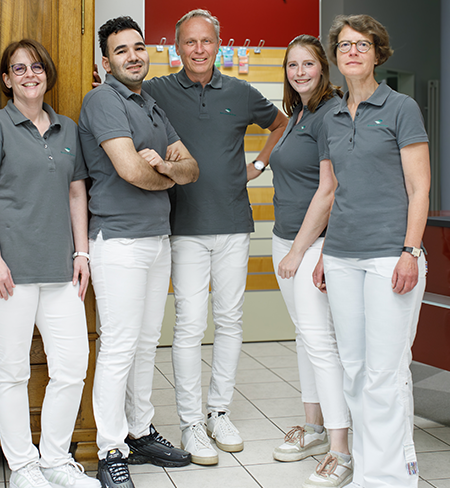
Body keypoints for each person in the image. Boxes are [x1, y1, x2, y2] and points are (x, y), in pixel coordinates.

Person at [140, 9, 288, 464]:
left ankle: (218, 411)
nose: (199, 49)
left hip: (234, 225)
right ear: (176, 47)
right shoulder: (156, 90)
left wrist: (258, 166)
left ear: (219, 45)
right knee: (188, 325)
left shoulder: (242, 93)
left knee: (230, 321)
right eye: (190, 42)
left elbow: (281, 123)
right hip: (184, 228)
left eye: (207, 41)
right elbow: (120, 95)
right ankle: (190, 423)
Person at [0, 39, 98, 488]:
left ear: (47, 74)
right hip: (7, 275)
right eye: (18, 69)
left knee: (72, 365)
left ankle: (56, 459)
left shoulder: (67, 127)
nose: (28, 75)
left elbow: (76, 192)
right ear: (7, 79)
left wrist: (82, 254)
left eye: (36, 67)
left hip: (60, 271)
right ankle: (23, 466)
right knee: (14, 369)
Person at [79, 16, 199, 488]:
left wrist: (170, 168)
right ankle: (110, 448)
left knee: (147, 341)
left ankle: (139, 430)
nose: (133, 55)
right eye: (121, 50)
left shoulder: (149, 103)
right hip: (119, 241)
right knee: (119, 346)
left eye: (139, 46)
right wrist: (167, 171)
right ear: (105, 62)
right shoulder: (102, 100)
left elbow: (192, 168)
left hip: (156, 238)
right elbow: (130, 170)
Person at [314, 14, 430, 488]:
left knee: (385, 370)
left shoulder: (401, 108)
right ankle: (369, 468)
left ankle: (390, 478)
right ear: (336, 57)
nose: (353, 52)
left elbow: (419, 188)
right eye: (344, 46)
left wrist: (410, 250)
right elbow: (330, 190)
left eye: (363, 45)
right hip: (341, 254)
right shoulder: (331, 116)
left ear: (378, 53)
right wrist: (323, 251)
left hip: (390, 255)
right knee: (356, 369)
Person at [268, 35, 352, 488]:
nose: (299, 72)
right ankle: (314, 428)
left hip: (314, 243)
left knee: (321, 342)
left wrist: (301, 250)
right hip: (286, 240)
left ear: (323, 67)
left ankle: (340, 449)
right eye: (292, 65)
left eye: (307, 64)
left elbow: (330, 189)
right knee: (305, 337)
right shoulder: (298, 114)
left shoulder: (330, 114)